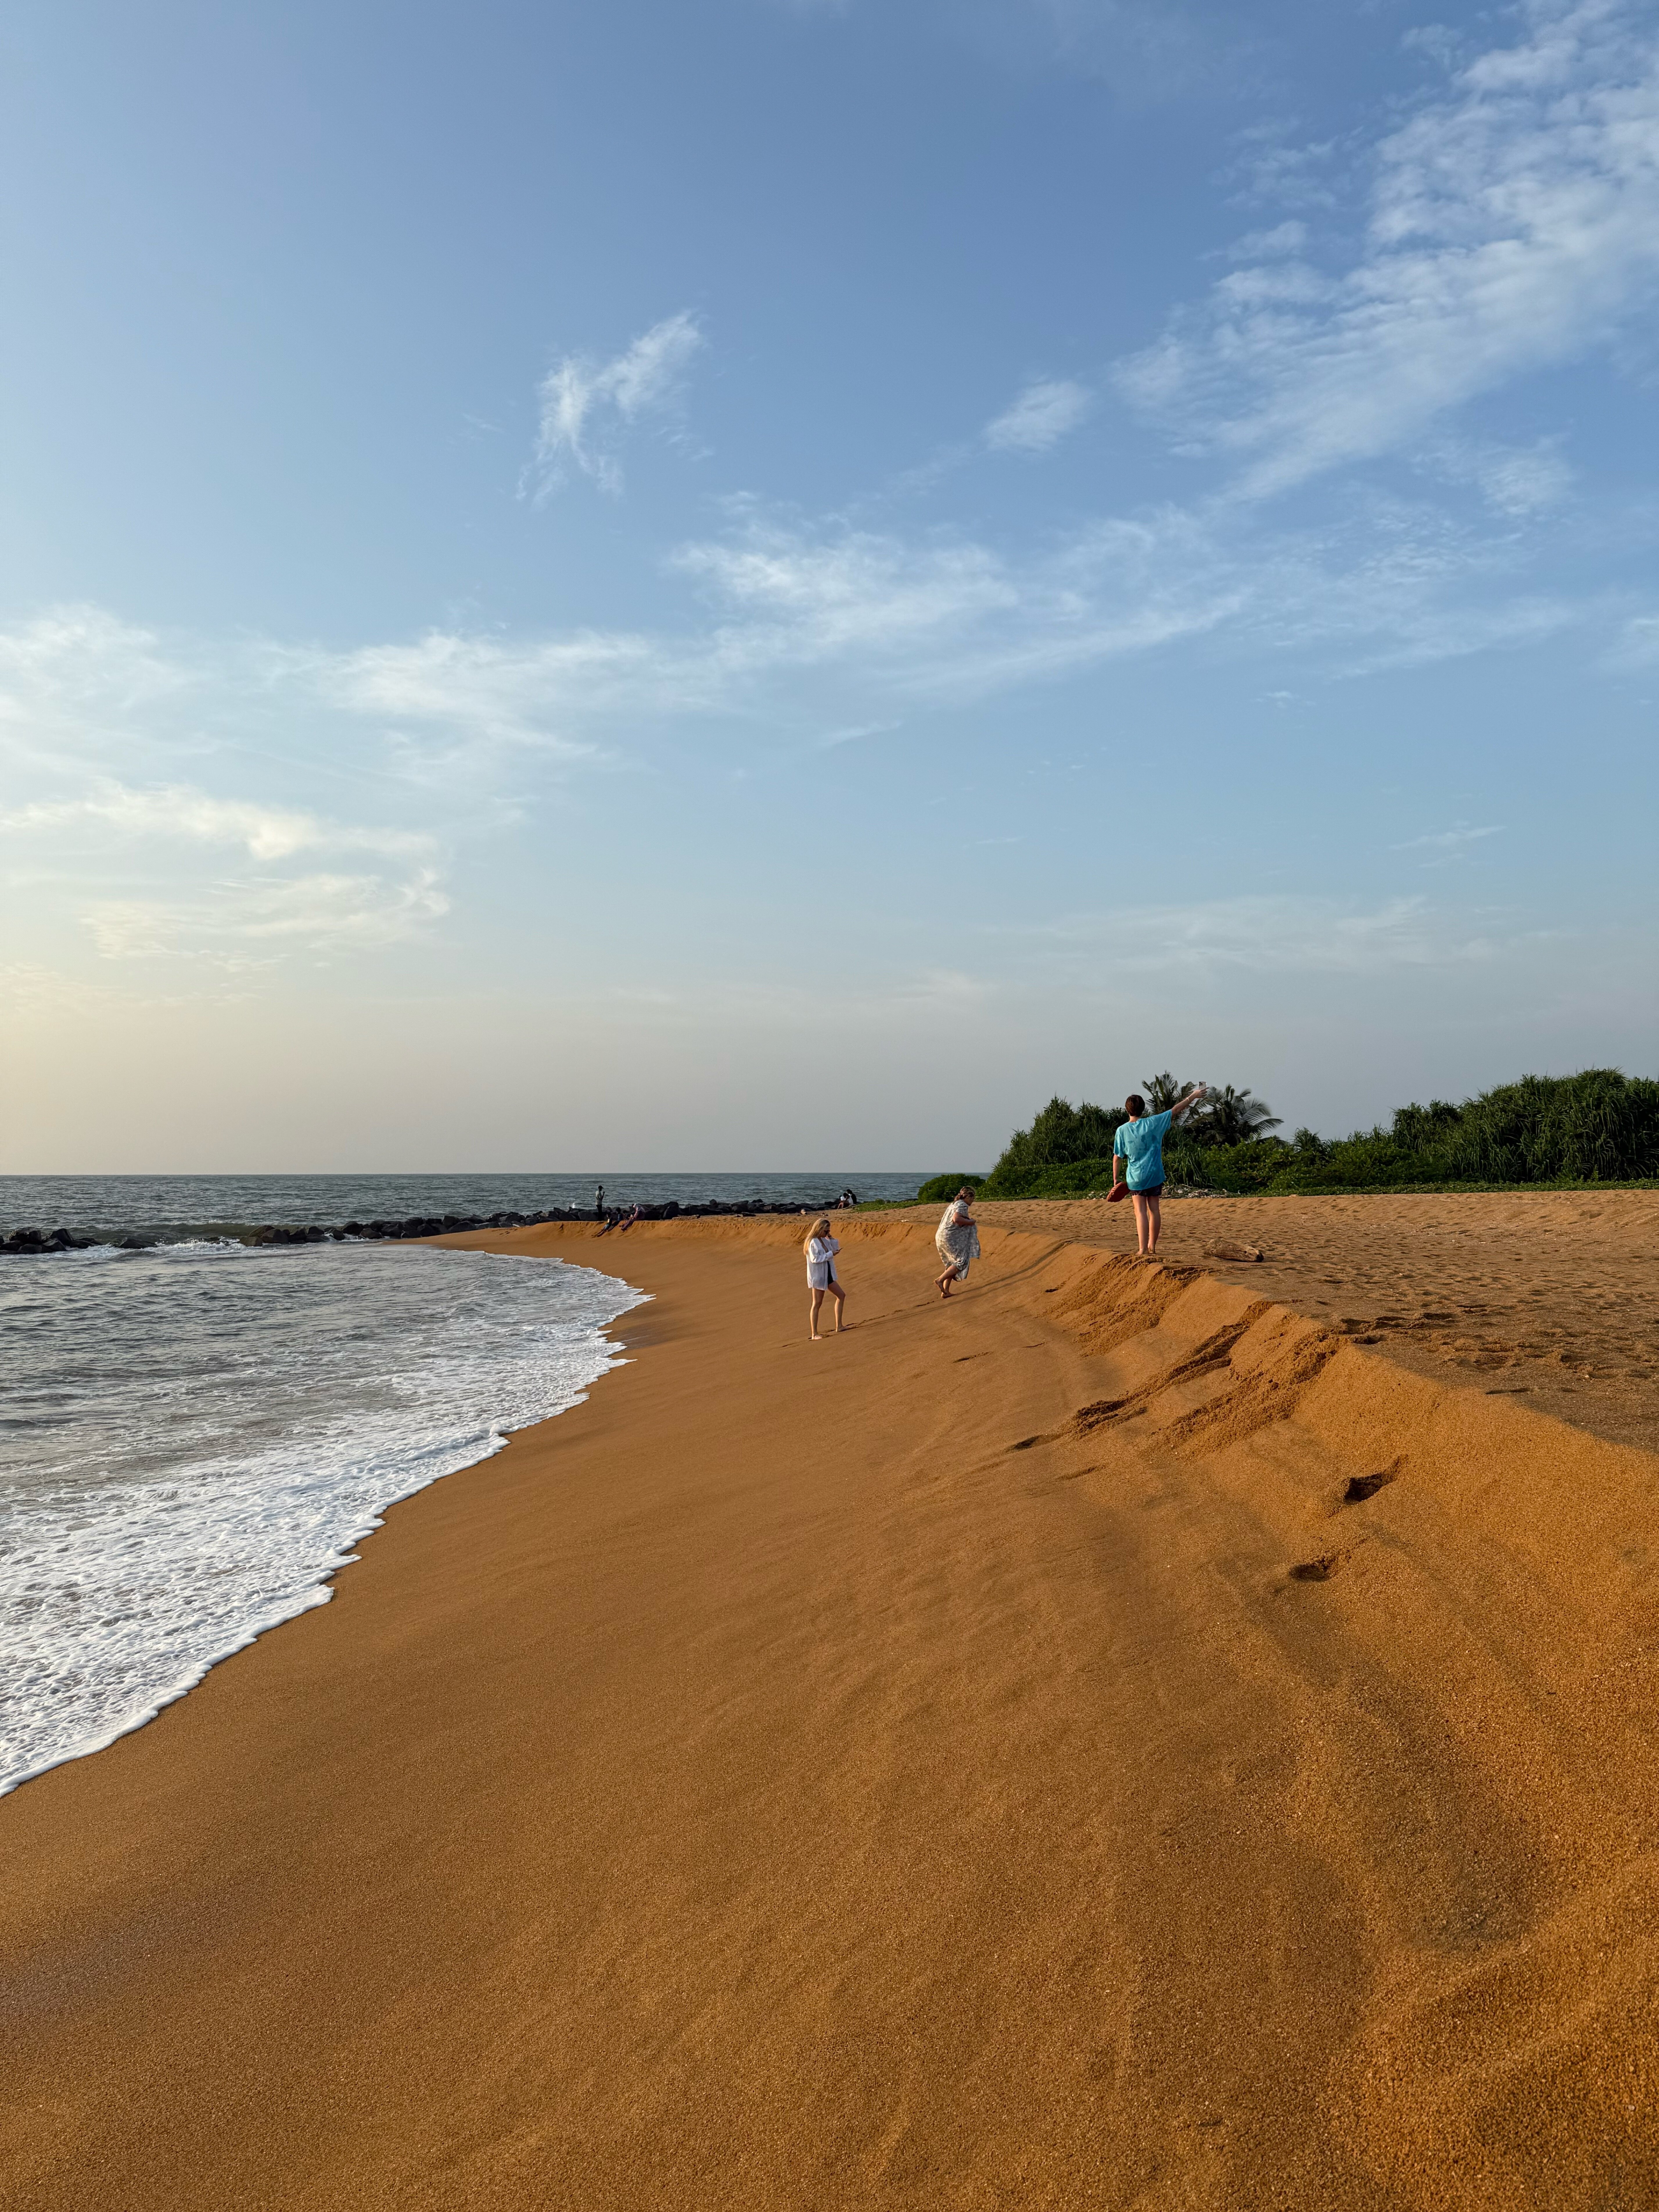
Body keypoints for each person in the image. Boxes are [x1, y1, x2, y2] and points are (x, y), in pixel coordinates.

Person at [1112, 1083, 1206, 1258]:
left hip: (1136, 1178)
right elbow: (1176, 1110)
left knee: (1140, 1212)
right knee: (1154, 1210)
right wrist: (1193, 1096)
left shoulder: (1122, 1130)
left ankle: (1143, 1250)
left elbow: (1117, 1157)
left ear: (1127, 1110)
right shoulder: (1154, 1122)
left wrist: (1116, 1179)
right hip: (1155, 1175)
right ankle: (1152, 1247)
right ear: (1143, 1109)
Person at [934, 1187, 980, 1299]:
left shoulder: (954, 1204)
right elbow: (957, 1219)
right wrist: (971, 1222)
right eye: (973, 1198)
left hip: (941, 1236)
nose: (973, 1201)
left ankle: (946, 1292)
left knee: (952, 1263)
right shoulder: (962, 1205)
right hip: (950, 1237)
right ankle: (940, 1280)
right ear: (968, 1197)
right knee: (961, 1263)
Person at [804, 1218, 847, 1338]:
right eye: (826, 1231)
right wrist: (830, 1255)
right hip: (819, 1276)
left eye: (828, 1231)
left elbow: (833, 1248)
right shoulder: (812, 1241)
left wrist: (831, 1238)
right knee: (817, 1303)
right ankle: (814, 1334)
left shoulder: (823, 1240)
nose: (827, 1233)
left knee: (841, 1296)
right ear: (820, 1229)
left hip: (828, 1274)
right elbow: (815, 1259)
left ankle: (839, 1326)